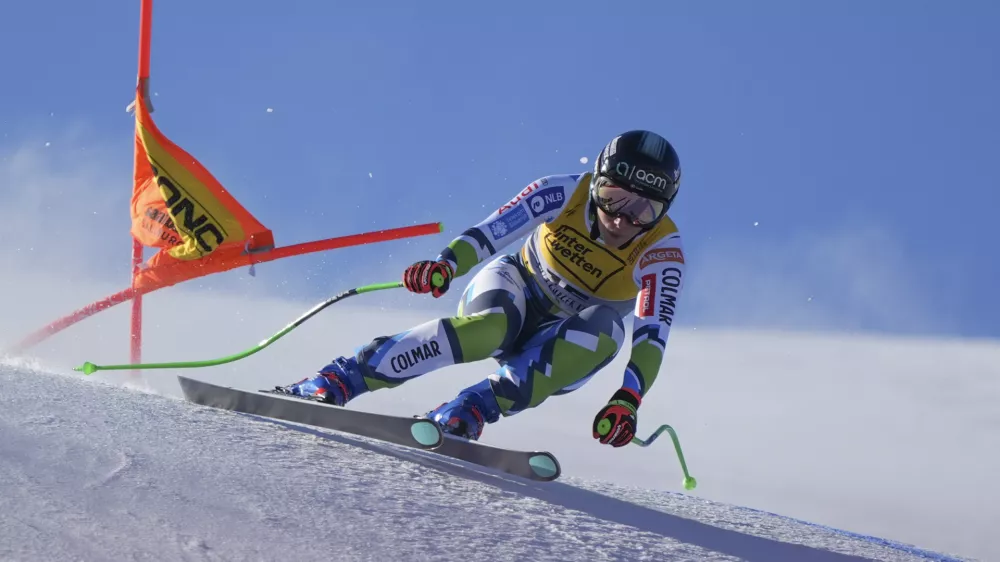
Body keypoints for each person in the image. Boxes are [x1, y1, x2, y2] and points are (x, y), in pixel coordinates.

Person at [277, 129, 686, 448]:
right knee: (489, 328)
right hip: (516, 288)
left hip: (563, 339)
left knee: (608, 328)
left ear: (663, 211)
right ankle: (339, 378)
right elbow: (491, 233)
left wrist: (628, 398)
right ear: (595, 181)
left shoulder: (662, 251)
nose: (620, 220)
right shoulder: (563, 193)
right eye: (611, 197)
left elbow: (652, 335)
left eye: (642, 210)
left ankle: (469, 410)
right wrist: (446, 264)